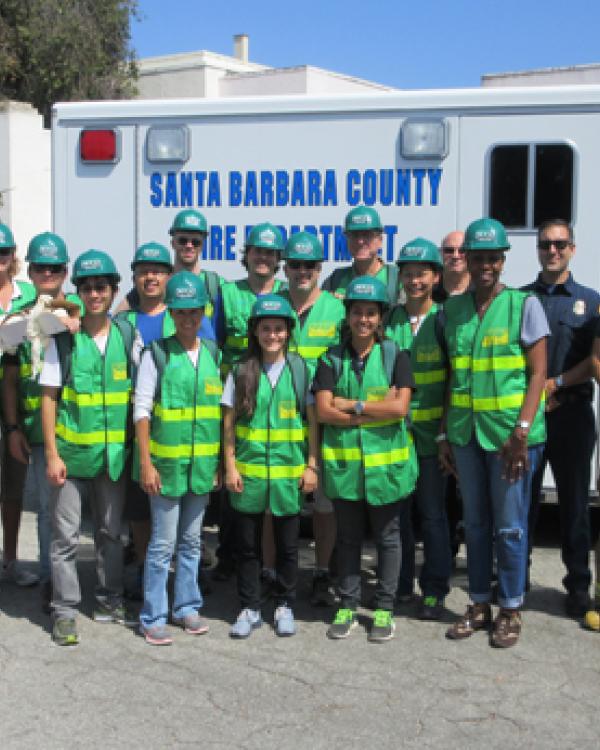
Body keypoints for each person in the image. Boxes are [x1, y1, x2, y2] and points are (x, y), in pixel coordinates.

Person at [439, 217, 548, 648]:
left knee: (510, 526)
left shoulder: (524, 305)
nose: (486, 265)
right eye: (478, 257)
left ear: (503, 261)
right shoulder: (453, 309)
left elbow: (539, 373)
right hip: (467, 435)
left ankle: (511, 608)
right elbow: (454, 375)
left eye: (493, 258)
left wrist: (521, 430)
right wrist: (445, 433)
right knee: (477, 525)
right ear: (465, 259)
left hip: (510, 439)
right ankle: (479, 603)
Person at [314, 276, 417, 643]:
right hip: (345, 469)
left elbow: (401, 407)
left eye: (371, 313)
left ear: (380, 317)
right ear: (348, 315)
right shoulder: (330, 358)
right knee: (348, 540)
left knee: (389, 538)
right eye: (357, 312)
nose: (364, 319)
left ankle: (385, 608)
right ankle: (348, 604)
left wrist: (353, 405)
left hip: (386, 470)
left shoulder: (396, 356)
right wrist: (376, 411)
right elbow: (324, 412)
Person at [40, 250, 136, 646]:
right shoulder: (61, 340)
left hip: (111, 459)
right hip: (71, 458)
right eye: (87, 287)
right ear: (77, 292)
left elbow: (140, 400)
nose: (95, 293)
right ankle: (64, 611)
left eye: (102, 286)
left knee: (110, 534)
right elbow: (49, 398)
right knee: (64, 540)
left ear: (113, 292)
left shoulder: (129, 336)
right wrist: (51, 454)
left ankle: (110, 599)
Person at [223, 295, 318, 638]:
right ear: (255, 331)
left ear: (288, 332)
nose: (273, 335)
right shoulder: (241, 369)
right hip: (249, 473)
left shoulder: (300, 369)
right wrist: (230, 465)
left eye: (279, 328)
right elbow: (229, 422)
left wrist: (312, 465)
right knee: (247, 547)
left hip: (288, 474)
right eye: (266, 328)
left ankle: (284, 604)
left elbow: (312, 421)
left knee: (288, 546)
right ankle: (249, 608)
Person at [135, 271, 221, 646]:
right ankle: (152, 614)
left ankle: (186, 606)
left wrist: (219, 463)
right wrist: (146, 463)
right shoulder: (156, 354)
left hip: (200, 467)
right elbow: (141, 412)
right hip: (166, 468)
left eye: (194, 311)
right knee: (161, 546)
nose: (188, 318)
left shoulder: (214, 355)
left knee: (191, 543)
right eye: (181, 311)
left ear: (203, 312)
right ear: (171, 312)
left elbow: (222, 413)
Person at [523, 219, 600, 618]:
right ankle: (516, 583)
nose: (552, 250)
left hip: (572, 416)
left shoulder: (590, 301)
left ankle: (578, 588)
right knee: (523, 506)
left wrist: (555, 384)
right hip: (529, 418)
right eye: (545, 244)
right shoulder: (520, 299)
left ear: (573, 248)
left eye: (560, 244)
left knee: (574, 506)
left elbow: (596, 361)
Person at [2, 232, 80, 611]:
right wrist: (13, 428)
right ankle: (51, 582)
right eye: (40, 268)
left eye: (55, 268)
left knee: (68, 514)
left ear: (65, 271)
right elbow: (11, 375)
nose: (47, 273)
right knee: (48, 511)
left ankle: (64, 580)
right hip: (34, 427)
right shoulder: (23, 316)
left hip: (73, 426)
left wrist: (40, 317)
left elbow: (69, 315)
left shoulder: (74, 305)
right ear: (29, 271)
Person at [214, 222, 288, 582]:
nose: (263, 257)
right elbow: (214, 343)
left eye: (270, 253)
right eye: (257, 250)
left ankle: (268, 566)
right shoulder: (228, 293)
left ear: (278, 259)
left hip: (276, 397)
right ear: (247, 255)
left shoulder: (290, 294)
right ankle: (232, 560)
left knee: (272, 489)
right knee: (236, 484)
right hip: (237, 395)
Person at [386, 237, 451, 620]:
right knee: (398, 517)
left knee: (432, 514)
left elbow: (453, 383)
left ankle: (435, 589)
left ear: (435, 276)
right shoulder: (389, 320)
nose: (414, 281)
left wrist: (444, 433)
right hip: (394, 438)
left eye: (421, 274)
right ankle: (401, 585)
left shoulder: (444, 319)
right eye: (408, 274)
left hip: (431, 440)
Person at [280, 231, 345, 606]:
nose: (302, 271)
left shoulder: (337, 309)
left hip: (324, 419)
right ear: (285, 268)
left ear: (320, 269)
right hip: (281, 419)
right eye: (295, 265)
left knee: (323, 505)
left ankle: (322, 572)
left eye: (310, 265)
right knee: (279, 502)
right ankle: (276, 572)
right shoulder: (274, 304)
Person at [114, 241, 174, 599]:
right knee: (139, 502)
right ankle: (141, 563)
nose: (150, 277)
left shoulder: (182, 315)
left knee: (171, 501)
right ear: (134, 276)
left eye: (157, 271)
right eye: (143, 271)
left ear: (168, 276)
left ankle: (171, 571)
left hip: (173, 427)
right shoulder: (123, 322)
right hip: (132, 422)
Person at [116, 209, 222, 341]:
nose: (189, 246)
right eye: (183, 240)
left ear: (202, 246)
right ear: (173, 243)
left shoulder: (214, 284)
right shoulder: (152, 285)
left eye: (196, 242)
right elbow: (116, 318)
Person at [0, 223, 38, 587]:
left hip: (16, 397)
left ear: (13, 257)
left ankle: (10, 560)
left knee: (13, 487)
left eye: (4, 254)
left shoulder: (27, 292)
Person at [322, 206, 401, 305]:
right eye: (354, 235)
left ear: (380, 240)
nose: (360, 241)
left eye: (367, 235)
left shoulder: (396, 278)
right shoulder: (335, 280)